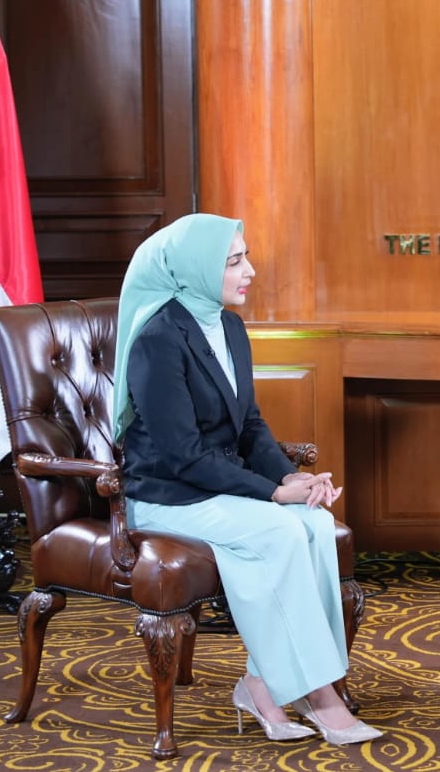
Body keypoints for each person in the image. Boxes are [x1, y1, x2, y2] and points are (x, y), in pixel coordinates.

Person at [113, 213, 382, 746]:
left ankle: (261, 683)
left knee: (313, 522)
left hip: (217, 491)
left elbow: (251, 425)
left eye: (246, 258)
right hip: (169, 497)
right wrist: (274, 494)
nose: (250, 271)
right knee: (280, 528)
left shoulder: (230, 327)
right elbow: (183, 456)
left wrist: (291, 477)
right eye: (234, 261)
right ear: (196, 267)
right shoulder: (157, 339)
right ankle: (319, 695)